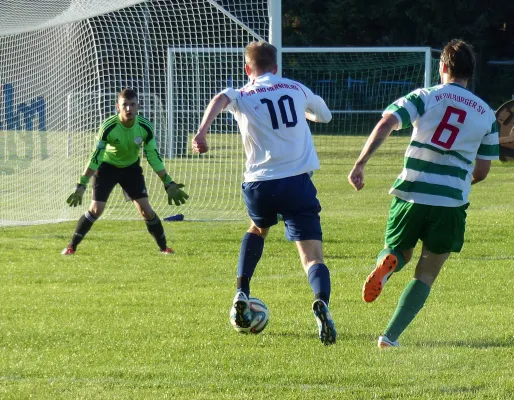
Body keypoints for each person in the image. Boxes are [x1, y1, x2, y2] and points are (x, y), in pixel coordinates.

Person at [348, 39, 499, 348]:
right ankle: (390, 337)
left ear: (442, 67)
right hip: (450, 202)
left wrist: (361, 162)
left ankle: (387, 263)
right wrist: (455, 181)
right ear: (471, 73)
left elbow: (388, 121)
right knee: (427, 272)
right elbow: (481, 172)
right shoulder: (486, 114)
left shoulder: (425, 96)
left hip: (411, 193)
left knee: (398, 251)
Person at [192, 41, 336, 345]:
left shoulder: (243, 94)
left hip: (259, 185)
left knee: (258, 228)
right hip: (297, 182)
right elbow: (325, 116)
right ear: (276, 67)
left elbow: (220, 98)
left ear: (248, 69)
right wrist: (305, 114)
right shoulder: (296, 88)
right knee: (311, 255)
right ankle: (321, 301)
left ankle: (242, 291)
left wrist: (203, 131)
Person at [62, 88, 188, 255]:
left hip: (131, 169)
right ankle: (71, 246)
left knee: (146, 210)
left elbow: (153, 156)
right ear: (117, 107)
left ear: (138, 106)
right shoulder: (108, 127)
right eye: (125, 105)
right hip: (107, 167)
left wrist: (168, 181)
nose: (128, 109)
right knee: (96, 209)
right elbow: (96, 157)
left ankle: (164, 248)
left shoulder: (145, 127)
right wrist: (82, 184)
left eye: (132, 105)